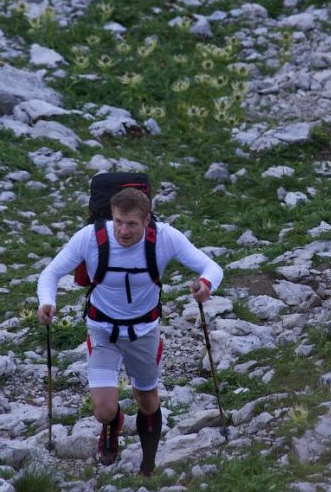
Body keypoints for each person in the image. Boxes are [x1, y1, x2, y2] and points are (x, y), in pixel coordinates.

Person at [37, 186, 223, 477]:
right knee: (102, 410)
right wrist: (47, 301)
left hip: (144, 332)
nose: (123, 231)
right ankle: (112, 424)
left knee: (147, 398)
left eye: (132, 224)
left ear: (147, 220)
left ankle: (147, 466)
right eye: (118, 222)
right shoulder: (91, 237)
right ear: (112, 216)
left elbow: (211, 266)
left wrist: (205, 285)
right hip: (102, 331)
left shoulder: (165, 238)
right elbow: (51, 273)